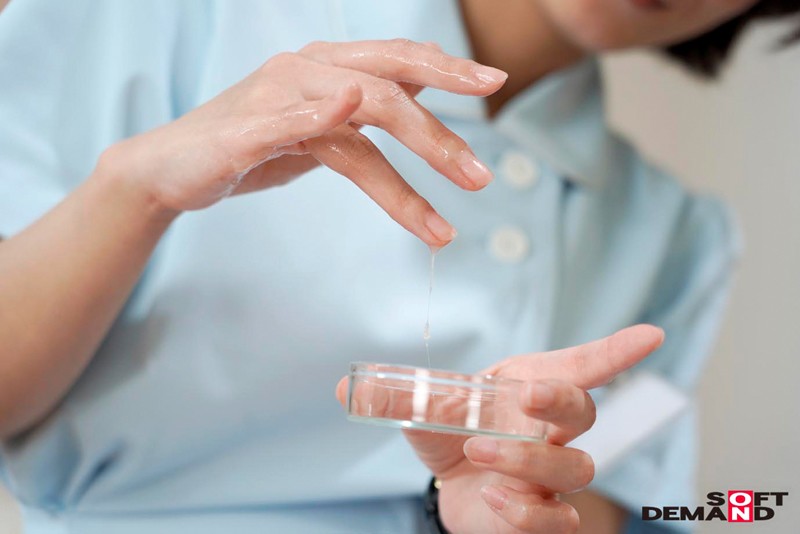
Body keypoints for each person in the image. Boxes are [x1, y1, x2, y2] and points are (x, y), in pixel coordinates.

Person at [0, 1, 797, 533]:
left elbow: (644, 510)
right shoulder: (154, 15)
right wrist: (136, 189)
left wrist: (498, 505)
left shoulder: (679, 234)